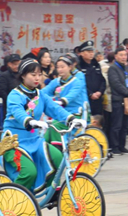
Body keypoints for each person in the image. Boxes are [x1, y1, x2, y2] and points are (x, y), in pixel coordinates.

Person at [2, 59, 85, 192]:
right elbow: (18, 112)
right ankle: (14, 201)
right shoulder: (15, 94)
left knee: (58, 158)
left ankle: (50, 191)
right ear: (23, 75)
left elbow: (55, 109)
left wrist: (71, 119)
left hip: (34, 140)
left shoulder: (41, 95)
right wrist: (30, 121)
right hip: (14, 142)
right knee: (29, 172)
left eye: (39, 74)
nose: (37, 78)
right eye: (33, 74)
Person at [107, 47, 128, 155]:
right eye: (121, 55)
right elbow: (116, 84)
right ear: (115, 56)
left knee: (125, 125)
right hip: (118, 100)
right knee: (117, 124)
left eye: (125, 55)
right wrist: (127, 93)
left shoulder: (127, 68)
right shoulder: (113, 68)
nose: (123, 57)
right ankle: (114, 146)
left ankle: (121, 145)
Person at [76, 41, 106, 116]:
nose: (91, 53)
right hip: (85, 100)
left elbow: (102, 80)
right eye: (88, 51)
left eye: (92, 51)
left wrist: (100, 92)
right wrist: (90, 94)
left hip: (98, 100)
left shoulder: (96, 65)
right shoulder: (78, 66)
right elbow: (79, 84)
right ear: (81, 53)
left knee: (98, 123)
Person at [0, 54, 21, 119]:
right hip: (9, 106)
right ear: (9, 64)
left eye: (18, 64)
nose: (17, 66)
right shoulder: (4, 75)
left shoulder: (23, 74)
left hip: (23, 105)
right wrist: (11, 101)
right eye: (14, 64)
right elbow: (2, 92)